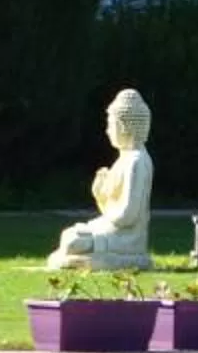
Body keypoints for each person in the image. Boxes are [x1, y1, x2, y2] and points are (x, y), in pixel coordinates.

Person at [46, 90, 156, 271]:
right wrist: (101, 196)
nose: (107, 131)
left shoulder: (137, 161)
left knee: (74, 241)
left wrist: (103, 202)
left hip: (127, 239)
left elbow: (127, 216)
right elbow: (115, 213)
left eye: (110, 125)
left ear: (124, 126)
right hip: (114, 230)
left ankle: (126, 258)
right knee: (70, 236)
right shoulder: (126, 159)